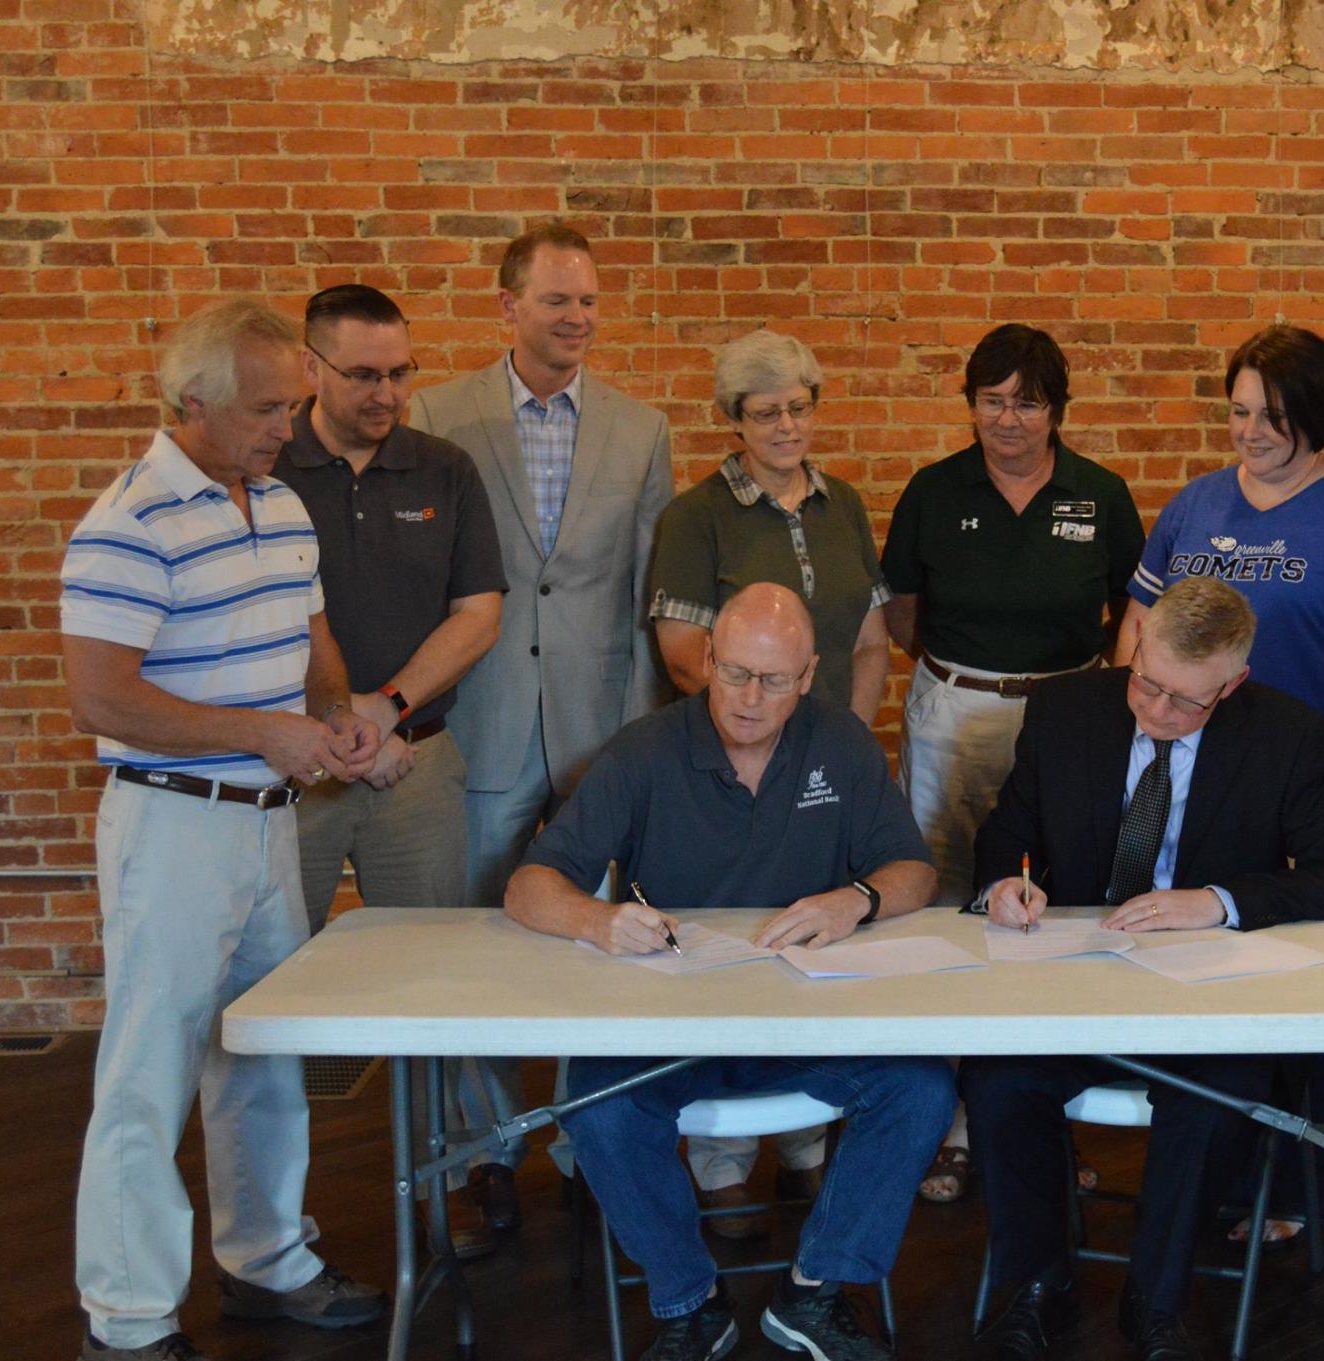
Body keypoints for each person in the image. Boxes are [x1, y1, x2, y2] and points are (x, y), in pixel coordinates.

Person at [504, 584, 955, 1361]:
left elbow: (913, 868)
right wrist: (597, 918)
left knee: (921, 1088)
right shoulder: (644, 751)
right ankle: (690, 1299)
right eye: (736, 672)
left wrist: (858, 899)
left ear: (809, 675)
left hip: (803, 1015)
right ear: (707, 660)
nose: (750, 698)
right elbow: (528, 885)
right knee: (595, 1104)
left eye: (774, 680)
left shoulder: (841, 743)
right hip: (673, 1019)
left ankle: (814, 1290)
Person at [61, 300, 388, 1361]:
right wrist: (260, 731)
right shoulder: (128, 520)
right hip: (171, 825)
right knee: (149, 1068)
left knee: (260, 1053)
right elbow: (101, 697)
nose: (285, 425)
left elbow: (311, 635)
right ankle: (128, 1314)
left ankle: (268, 1260)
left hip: (265, 822)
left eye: (291, 403)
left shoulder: (281, 503)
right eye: (264, 408)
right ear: (189, 402)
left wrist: (334, 719)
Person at [961, 577, 1324, 1361]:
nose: (1156, 712)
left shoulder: (1283, 731)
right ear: (1138, 639)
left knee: (1218, 1093)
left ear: (1233, 683)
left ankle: (1156, 1300)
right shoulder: (1065, 709)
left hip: (1206, 991)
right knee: (997, 1078)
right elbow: (1005, 832)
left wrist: (1218, 901)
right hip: (1073, 976)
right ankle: (1037, 1284)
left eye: (1188, 703)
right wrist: (1003, 884)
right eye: (1148, 684)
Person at [405, 221, 675, 1231]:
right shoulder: (440, 413)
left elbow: (650, 593)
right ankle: (489, 1138)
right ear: (507, 304)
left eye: (590, 300)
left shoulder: (640, 428)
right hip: (481, 718)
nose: (577, 318)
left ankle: (581, 1136)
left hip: (599, 723)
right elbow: (425, 580)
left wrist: (644, 730)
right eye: (557, 299)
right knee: (477, 929)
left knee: (596, 937)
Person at [1117, 325, 1324, 1250]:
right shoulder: (1195, 506)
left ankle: (1297, 1189)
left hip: (1317, 784)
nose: (1251, 432)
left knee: (1301, 989)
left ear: (1317, 415)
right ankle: (1216, 1176)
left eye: (1273, 417)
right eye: (1239, 412)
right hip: (1204, 783)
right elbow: (1139, 628)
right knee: (1218, 979)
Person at [880, 322, 1145, 1203]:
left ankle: (1041, 1118)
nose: (1008, 419)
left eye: (1026, 402)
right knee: (951, 899)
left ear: (1056, 410)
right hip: (956, 705)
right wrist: (967, 675)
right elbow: (903, 611)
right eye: (991, 401)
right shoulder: (932, 490)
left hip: (1071, 712)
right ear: (971, 406)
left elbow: (1126, 608)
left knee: (1056, 900)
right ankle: (951, 1122)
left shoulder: (1100, 495)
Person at [649, 329, 893, 1237]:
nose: (788, 424)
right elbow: (684, 660)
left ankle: (804, 1142)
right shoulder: (695, 517)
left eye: (800, 405)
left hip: (824, 765)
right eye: (766, 412)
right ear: (733, 421)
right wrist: (770, 729)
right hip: (732, 763)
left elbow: (869, 644)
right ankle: (720, 1163)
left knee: (819, 943)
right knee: (737, 941)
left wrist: (845, 747)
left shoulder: (846, 505)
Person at [275, 285, 505, 937]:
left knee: (428, 976)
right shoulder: (267, 471)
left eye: (400, 372)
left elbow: (478, 615)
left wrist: (386, 709)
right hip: (293, 765)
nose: (388, 393)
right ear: (311, 368)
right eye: (364, 375)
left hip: (413, 762)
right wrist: (339, 722)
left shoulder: (446, 470)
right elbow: (249, 620)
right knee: (281, 970)